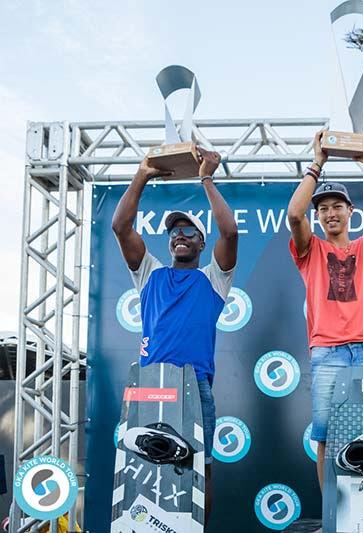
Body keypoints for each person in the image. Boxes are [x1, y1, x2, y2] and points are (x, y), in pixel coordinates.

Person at [111, 148, 238, 523]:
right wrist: (143, 173)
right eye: (174, 232)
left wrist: (206, 179)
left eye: (188, 232)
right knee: (140, 466)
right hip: (150, 382)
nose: (179, 236)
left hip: (194, 385)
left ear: (201, 243)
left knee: (200, 469)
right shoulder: (149, 273)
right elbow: (120, 226)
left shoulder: (214, 279)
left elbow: (229, 231)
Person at [287, 131, 363, 493]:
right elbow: (294, 213)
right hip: (327, 353)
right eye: (323, 208)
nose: (329, 212)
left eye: (337, 206)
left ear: (351, 212)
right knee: (325, 437)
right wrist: (317, 162)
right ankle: (332, 514)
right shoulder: (311, 250)